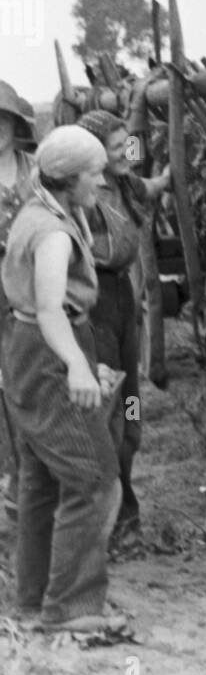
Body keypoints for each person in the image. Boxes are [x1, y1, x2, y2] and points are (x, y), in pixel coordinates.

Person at [1, 126, 123, 632]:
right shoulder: (52, 232)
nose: (101, 182)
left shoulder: (38, 208)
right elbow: (51, 309)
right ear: (70, 178)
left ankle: (32, 595)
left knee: (41, 480)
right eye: (95, 174)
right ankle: (71, 606)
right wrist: (76, 363)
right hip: (50, 353)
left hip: (24, 352)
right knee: (93, 479)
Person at [75, 110, 171, 540]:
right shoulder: (83, 195)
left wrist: (169, 176)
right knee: (107, 404)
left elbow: (150, 187)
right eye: (116, 148)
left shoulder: (127, 185)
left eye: (126, 144)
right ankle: (107, 513)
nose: (126, 153)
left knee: (130, 399)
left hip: (122, 302)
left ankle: (126, 498)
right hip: (94, 306)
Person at [0, 81, 37, 524]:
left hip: (29, 286)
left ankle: (28, 482)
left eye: (3, 121)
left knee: (26, 380)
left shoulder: (34, 170)